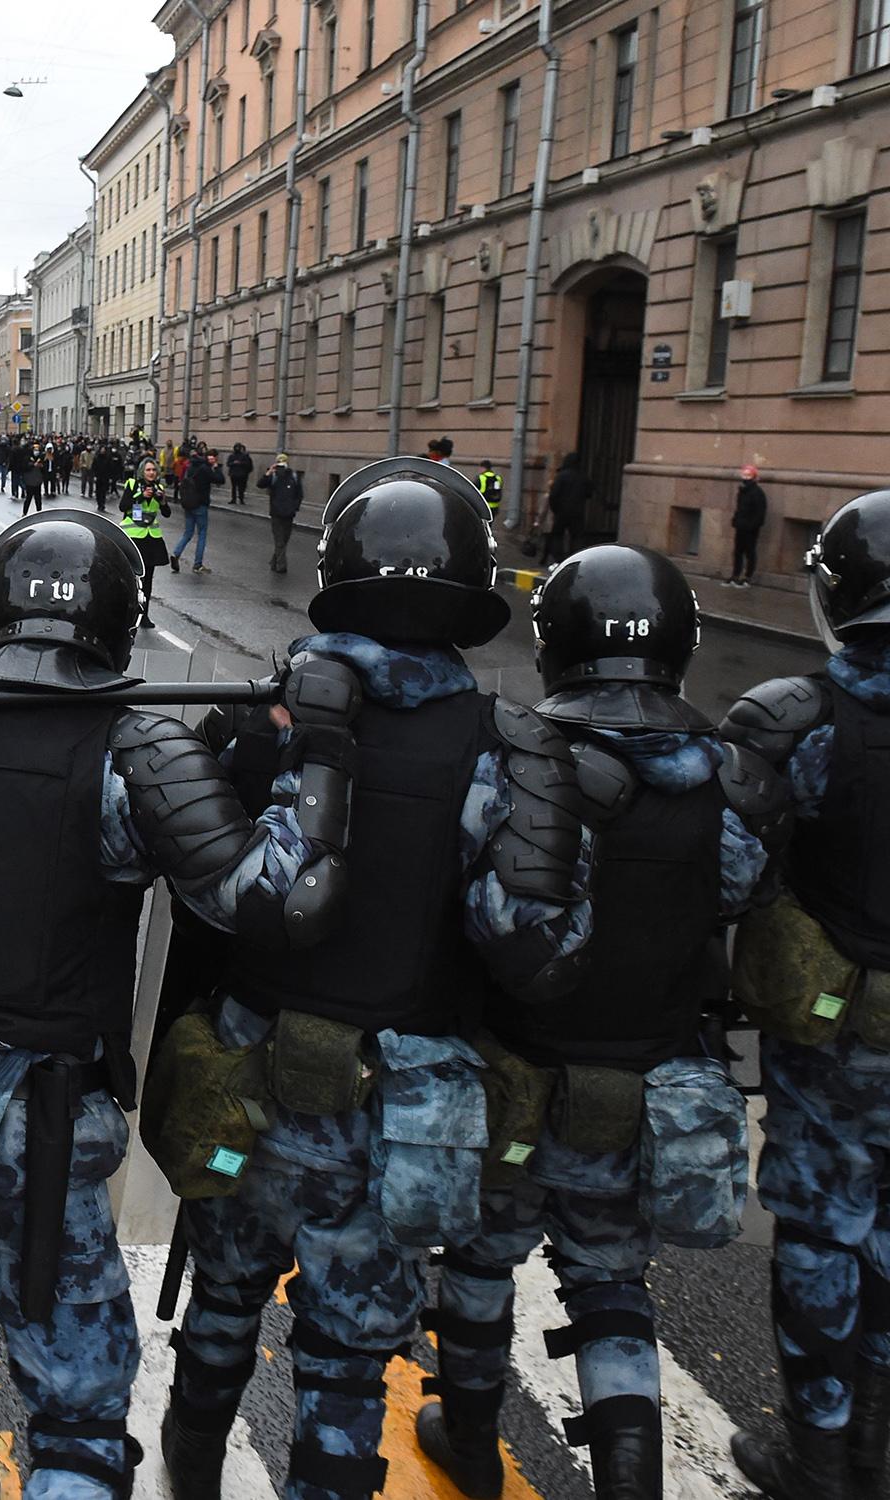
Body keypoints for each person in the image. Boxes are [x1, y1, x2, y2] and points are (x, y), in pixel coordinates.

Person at [0, 509, 360, 1500]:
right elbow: (271, 897)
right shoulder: (132, 748)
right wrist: (318, 751)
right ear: (120, 617)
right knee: (77, 1406)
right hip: (35, 1126)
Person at [160, 459, 594, 1500]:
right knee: (350, 1353)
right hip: (402, 1106)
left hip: (251, 1079)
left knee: (223, 1296)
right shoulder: (503, 746)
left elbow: (199, 901)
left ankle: (192, 1461)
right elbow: (529, 948)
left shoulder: (262, 721)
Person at [420, 544, 786, 1500]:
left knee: (478, 1263)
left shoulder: (520, 759)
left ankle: (469, 1441)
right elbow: (739, 894)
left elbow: (471, 900)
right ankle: (631, 1479)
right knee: (614, 1281)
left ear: (554, 641)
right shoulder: (727, 781)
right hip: (648, 1082)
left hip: (513, 1077)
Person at [721, 489, 890, 1500]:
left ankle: (815, 1455)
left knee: (823, 1235)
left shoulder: (799, 719)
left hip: (834, 1040)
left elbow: (722, 874)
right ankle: (871, 1444)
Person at [121, 458, 173, 630]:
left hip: (151, 538)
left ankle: (144, 615)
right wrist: (140, 496)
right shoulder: (132, 484)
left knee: (148, 580)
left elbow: (167, 513)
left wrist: (162, 500)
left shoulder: (159, 488)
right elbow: (123, 506)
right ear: (142, 471)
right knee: (134, 579)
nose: (151, 473)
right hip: (135, 536)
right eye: (148, 470)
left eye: (154, 470)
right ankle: (129, 613)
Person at [171, 444, 221, 575]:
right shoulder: (205, 468)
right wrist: (216, 467)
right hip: (201, 504)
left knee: (188, 533)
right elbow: (220, 480)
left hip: (188, 503)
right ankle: (197, 564)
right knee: (202, 534)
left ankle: (176, 553)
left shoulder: (189, 465)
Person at [259, 453, 304, 575]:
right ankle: (281, 566)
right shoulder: (274, 475)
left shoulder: (293, 475)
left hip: (286, 513)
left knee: (283, 540)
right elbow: (260, 484)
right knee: (280, 540)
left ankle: (274, 562)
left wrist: (295, 507)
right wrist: (268, 473)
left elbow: (299, 494)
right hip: (278, 513)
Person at [545, 452, 591, 565]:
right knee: (577, 537)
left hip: (561, 511)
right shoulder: (582, 476)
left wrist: (555, 509)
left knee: (558, 535)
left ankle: (559, 559)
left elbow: (553, 495)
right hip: (577, 511)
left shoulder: (561, 476)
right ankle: (575, 559)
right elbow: (589, 493)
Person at [731, 465, 768, 587]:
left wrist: (752, 525)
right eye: (744, 475)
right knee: (738, 552)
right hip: (741, 526)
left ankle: (748, 577)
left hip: (750, 528)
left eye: (748, 475)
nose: (745, 478)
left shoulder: (757, 493)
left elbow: (760, 512)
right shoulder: (742, 491)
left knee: (750, 552)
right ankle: (735, 575)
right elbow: (740, 508)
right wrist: (736, 520)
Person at [225, 443, 253, 507]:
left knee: (241, 487)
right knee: (234, 487)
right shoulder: (232, 456)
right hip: (234, 474)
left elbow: (248, 464)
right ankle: (233, 499)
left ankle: (241, 499)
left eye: (238, 447)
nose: (237, 449)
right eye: (236, 447)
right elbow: (228, 463)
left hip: (242, 474)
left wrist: (240, 463)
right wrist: (234, 463)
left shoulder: (244, 456)